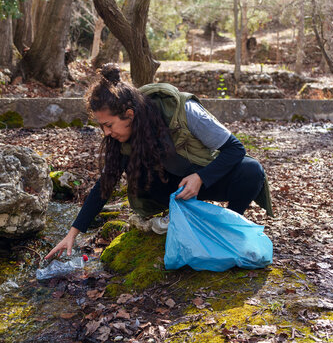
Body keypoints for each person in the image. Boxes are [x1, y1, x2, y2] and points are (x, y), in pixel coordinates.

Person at [45, 63, 272, 260]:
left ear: (130, 114)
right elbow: (105, 184)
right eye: (102, 126)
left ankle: (229, 230)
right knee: (138, 173)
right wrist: (72, 234)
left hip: (206, 178)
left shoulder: (184, 110)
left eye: (109, 125)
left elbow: (235, 149)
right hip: (174, 190)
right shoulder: (122, 138)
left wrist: (201, 177)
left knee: (252, 171)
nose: (106, 133)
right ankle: (179, 217)